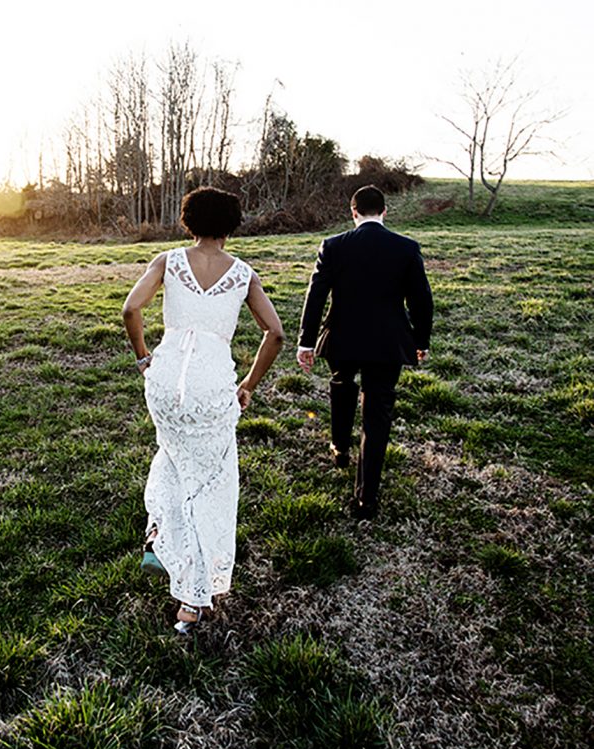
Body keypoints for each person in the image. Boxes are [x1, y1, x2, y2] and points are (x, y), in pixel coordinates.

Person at [123, 187, 283, 633]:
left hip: (165, 384)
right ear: (231, 226)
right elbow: (275, 334)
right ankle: (191, 602)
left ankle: (160, 540)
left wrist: (142, 356)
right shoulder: (243, 274)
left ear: (187, 221)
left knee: (173, 459)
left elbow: (131, 308)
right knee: (209, 486)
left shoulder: (167, 261)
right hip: (212, 388)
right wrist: (249, 384)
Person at [297, 185, 433, 520]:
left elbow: (316, 296)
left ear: (353, 212)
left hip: (343, 337)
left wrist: (306, 341)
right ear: (385, 212)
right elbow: (421, 300)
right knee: (378, 412)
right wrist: (421, 340)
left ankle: (340, 447)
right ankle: (366, 497)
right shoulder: (406, 248)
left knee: (341, 383)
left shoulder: (333, 246)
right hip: (388, 342)